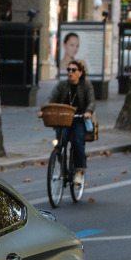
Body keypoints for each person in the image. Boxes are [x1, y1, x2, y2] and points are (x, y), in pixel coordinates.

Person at [39, 58, 96, 188]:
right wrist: (43, 111)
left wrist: (88, 112)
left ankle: (79, 171)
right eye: (68, 69)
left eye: (73, 70)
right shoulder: (62, 85)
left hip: (78, 119)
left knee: (77, 141)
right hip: (62, 120)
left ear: (80, 72)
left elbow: (91, 101)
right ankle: (60, 163)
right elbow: (51, 98)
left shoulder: (86, 85)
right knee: (59, 143)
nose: (70, 72)